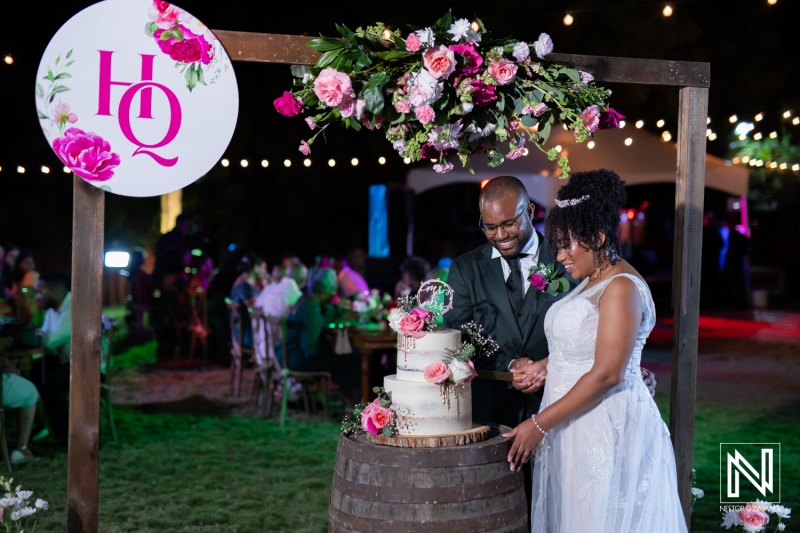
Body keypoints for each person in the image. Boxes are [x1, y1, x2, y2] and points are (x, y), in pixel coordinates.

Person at [504, 169, 687, 532]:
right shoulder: (593, 280)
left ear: (598, 236)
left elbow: (608, 372)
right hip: (572, 424)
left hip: (604, 426)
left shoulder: (620, 286)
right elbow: (588, 346)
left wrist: (538, 425)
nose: (560, 255)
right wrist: (546, 365)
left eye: (565, 244)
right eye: (556, 245)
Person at [283, 268, 360, 394]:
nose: (333, 295)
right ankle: (351, 400)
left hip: (288, 355)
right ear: (326, 289)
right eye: (332, 290)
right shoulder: (311, 307)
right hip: (297, 359)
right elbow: (311, 348)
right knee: (350, 361)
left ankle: (343, 397)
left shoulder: (305, 300)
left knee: (343, 357)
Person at [35, 270, 72, 446]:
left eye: (40, 292)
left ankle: (67, 437)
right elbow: (44, 337)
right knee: (34, 372)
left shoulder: (73, 308)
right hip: (64, 360)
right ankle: (36, 427)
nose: (37, 297)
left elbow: (49, 342)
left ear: (54, 291)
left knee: (50, 382)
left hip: (87, 366)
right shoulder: (52, 309)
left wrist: (37, 334)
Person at [11, 250, 40, 325]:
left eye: (32, 262)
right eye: (27, 262)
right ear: (19, 264)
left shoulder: (32, 275)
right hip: (22, 314)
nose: (30, 265)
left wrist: (21, 289)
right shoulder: (17, 280)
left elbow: (27, 293)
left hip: (33, 313)